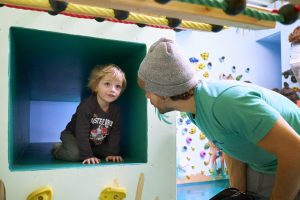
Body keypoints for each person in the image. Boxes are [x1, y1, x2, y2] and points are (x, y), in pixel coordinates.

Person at [137, 38, 300, 200]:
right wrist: (238, 194)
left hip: (289, 162)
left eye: (150, 90)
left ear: (165, 90)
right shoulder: (194, 107)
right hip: (264, 163)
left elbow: (295, 152)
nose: (147, 96)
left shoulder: (224, 103)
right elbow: (233, 144)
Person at [51, 64, 126, 164]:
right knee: (76, 155)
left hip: (93, 141)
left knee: (112, 150)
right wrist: (88, 156)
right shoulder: (87, 106)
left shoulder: (116, 110)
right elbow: (81, 132)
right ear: (96, 86)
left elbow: (114, 133)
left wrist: (113, 153)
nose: (113, 90)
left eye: (118, 86)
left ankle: (87, 150)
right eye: (107, 84)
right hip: (73, 136)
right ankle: (58, 149)